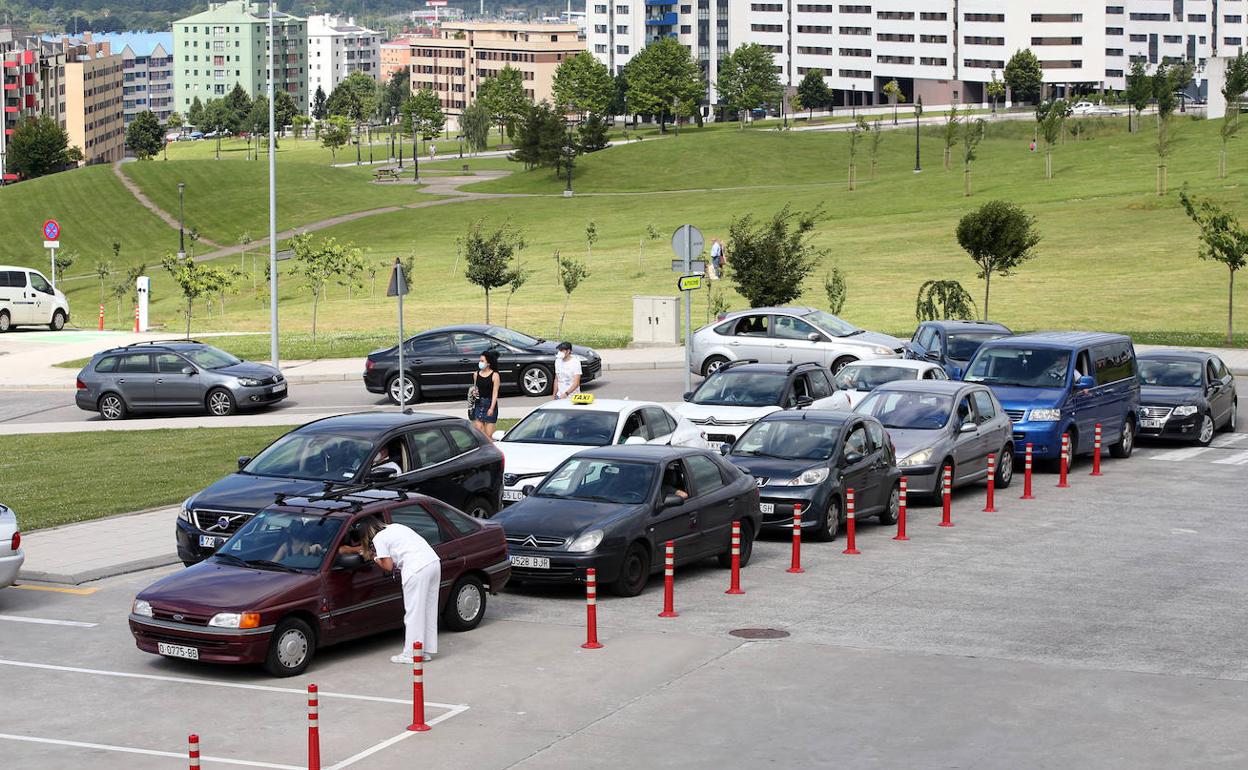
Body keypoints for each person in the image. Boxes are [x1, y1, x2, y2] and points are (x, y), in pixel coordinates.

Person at [341, 518, 440, 663]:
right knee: (427, 610)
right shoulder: (395, 526)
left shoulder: (379, 539)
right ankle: (423, 651)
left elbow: (388, 566)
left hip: (416, 569)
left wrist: (374, 558)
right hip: (433, 562)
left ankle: (410, 654)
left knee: (413, 613)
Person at [470, 350, 501, 440]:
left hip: (490, 403)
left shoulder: (495, 375)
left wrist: (491, 408)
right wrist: (474, 392)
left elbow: (495, 393)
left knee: (489, 435)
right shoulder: (476, 374)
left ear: (488, 363)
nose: (480, 363)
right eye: (480, 361)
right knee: (479, 432)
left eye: (482, 361)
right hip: (479, 403)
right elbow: (475, 388)